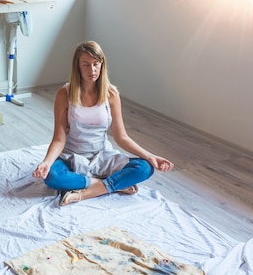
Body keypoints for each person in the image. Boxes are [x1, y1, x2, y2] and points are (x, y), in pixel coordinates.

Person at [32, 41, 174, 206]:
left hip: (102, 156)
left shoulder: (111, 94)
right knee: (53, 177)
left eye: (96, 64)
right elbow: (59, 139)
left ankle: (86, 192)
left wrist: (151, 156)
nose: (91, 70)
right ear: (77, 66)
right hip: (72, 156)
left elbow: (121, 137)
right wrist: (47, 162)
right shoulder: (65, 94)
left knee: (145, 167)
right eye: (85, 64)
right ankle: (110, 184)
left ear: (102, 65)